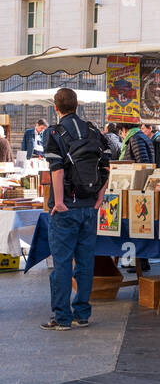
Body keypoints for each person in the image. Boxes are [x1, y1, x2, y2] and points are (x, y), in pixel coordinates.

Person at [42, 87, 111, 330]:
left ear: (56, 107)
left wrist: (59, 201)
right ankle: (81, 314)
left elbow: (57, 169)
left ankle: (61, 317)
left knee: (62, 263)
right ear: (77, 105)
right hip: (89, 206)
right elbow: (106, 167)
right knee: (85, 262)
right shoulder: (93, 130)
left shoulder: (55, 133)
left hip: (66, 208)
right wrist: (99, 198)